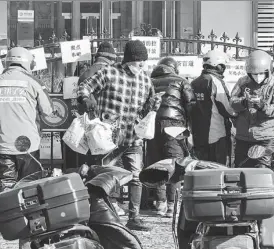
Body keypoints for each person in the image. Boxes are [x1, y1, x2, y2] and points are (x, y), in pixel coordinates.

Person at [77, 40, 158, 231]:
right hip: (108, 137)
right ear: (130, 60)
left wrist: (154, 106)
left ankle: (134, 217)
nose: (142, 66)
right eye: (140, 62)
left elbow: (150, 102)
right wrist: (86, 98)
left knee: (136, 176)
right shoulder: (109, 72)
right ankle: (101, 216)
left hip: (133, 136)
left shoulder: (145, 80)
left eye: (144, 62)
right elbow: (85, 86)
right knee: (104, 175)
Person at [0, 46, 54, 194]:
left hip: (2, 143)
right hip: (28, 144)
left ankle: (6, 213)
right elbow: (48, 111)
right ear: (27, 63)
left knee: (5, 185)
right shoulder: (34, 82)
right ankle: (29, 215)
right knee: (29, 186)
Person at [230, 50, 274, 208]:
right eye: (253, 74)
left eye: (261, 74)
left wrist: (263, 106)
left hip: (265, 135)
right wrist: (243, 103)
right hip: (243, 134)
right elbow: (232, 101)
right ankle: (243, 199)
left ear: (269, 70)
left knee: (262, 166)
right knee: (241, 167)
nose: (257, 77)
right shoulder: (242, 83)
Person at [147, 57, 194, 217]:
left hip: (153, 124)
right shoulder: (181, 81)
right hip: (175, 124)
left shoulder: (149, 81)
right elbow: (191, 105)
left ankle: (160, 204)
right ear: (174, 68)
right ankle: (172, 205)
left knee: (157, 162)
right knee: (174, 162)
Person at [190, 50, 235, 165]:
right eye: (223, 66)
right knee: (218, 169)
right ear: (217, 65)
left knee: (201, 169)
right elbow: (227, 108)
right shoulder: (215, 81)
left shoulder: (194, 83)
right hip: (216, 134)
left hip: (198, 134)